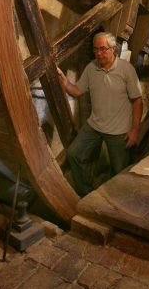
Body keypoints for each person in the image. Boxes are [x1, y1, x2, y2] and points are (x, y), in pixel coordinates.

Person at [57, 31, 143, 198]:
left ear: (113, 49)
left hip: (119, 130)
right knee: (74, 154)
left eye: (103, 49)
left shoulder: (126, 70)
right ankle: (87, 195)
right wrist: (64, 81)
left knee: (118, 172)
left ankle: (113, 203)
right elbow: (77, 91)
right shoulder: (91, 68)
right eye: (96, 49)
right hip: (95, 126)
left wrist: (135, 130)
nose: (99, 53)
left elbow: (138, 100)